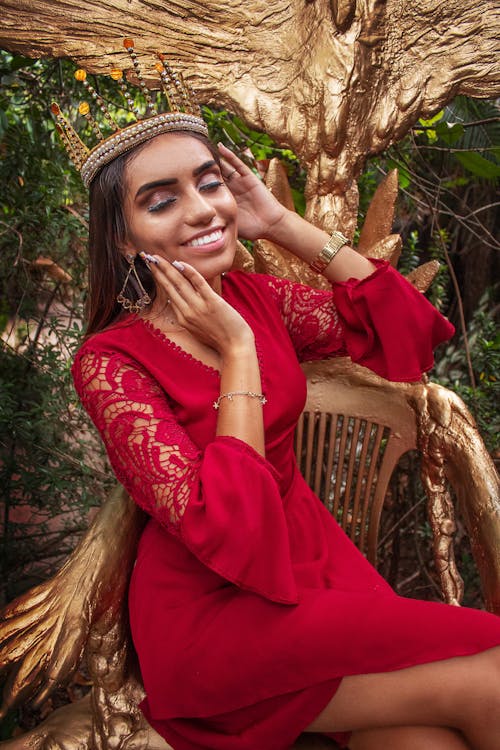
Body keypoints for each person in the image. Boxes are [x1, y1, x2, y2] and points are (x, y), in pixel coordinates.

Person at [65, 61, 500, 750]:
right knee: (492, 676)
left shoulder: (258, 301)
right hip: (215, 617)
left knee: (426, 738)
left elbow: (410, 336)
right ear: (123, 239)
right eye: (162, 199)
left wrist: (282, 225)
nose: (203, 208)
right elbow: (228, 533)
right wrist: (237, 352)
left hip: (313, 569)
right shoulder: (110, 363)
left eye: (209, 183)